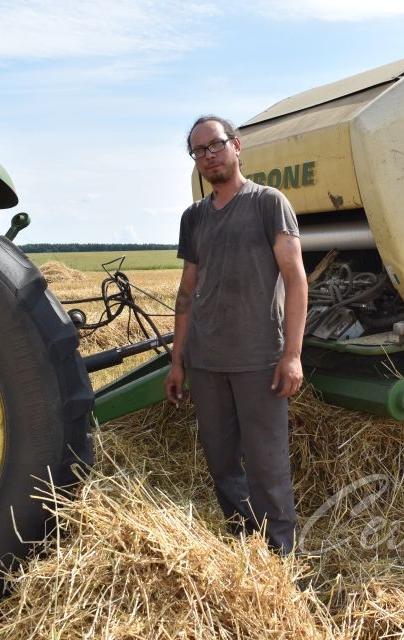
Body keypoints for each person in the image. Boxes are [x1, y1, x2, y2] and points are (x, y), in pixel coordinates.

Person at [164, 115, 308, 555]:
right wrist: (177, 360)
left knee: (267, 465)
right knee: (222, 462)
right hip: (206, 361)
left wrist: (293, 355)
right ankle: (246, 540)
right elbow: (187, 291)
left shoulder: (268, 203)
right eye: (198, 151)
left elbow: (297, 280)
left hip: (257, 358)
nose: (208, 156)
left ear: (237, 145)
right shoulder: (194, 217)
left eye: (215, 145)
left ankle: (281, 554)